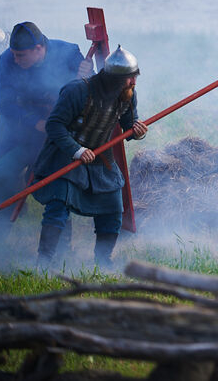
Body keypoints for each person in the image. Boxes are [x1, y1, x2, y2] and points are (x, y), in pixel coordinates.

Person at [31, 46, 146, 269]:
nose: (133, 82)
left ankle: (103, 263)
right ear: (113, 79)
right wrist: (77, 150)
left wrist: (136, 131)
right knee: (58, 204)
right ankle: (44, 262)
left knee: (113, 207)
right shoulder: (77, 91)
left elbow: (129, 124)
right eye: (129, 78)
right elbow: (54, 126)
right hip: (65, 156)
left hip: (100, 159)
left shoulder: (128, 94)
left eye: (134, 76)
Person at [0, 22, 90, 243]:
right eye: (14, 55)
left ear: (39, 48)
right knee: (1, 174)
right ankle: (3, 225)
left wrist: (88, 76)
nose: (16, 60)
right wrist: (36, 123)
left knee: (58, 186)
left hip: (59, 141)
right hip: (24, 137)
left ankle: (60, 247)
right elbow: (5, 104)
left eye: (21, 56)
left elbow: (90, 92)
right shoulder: (8, 60)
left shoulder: (69, 53)